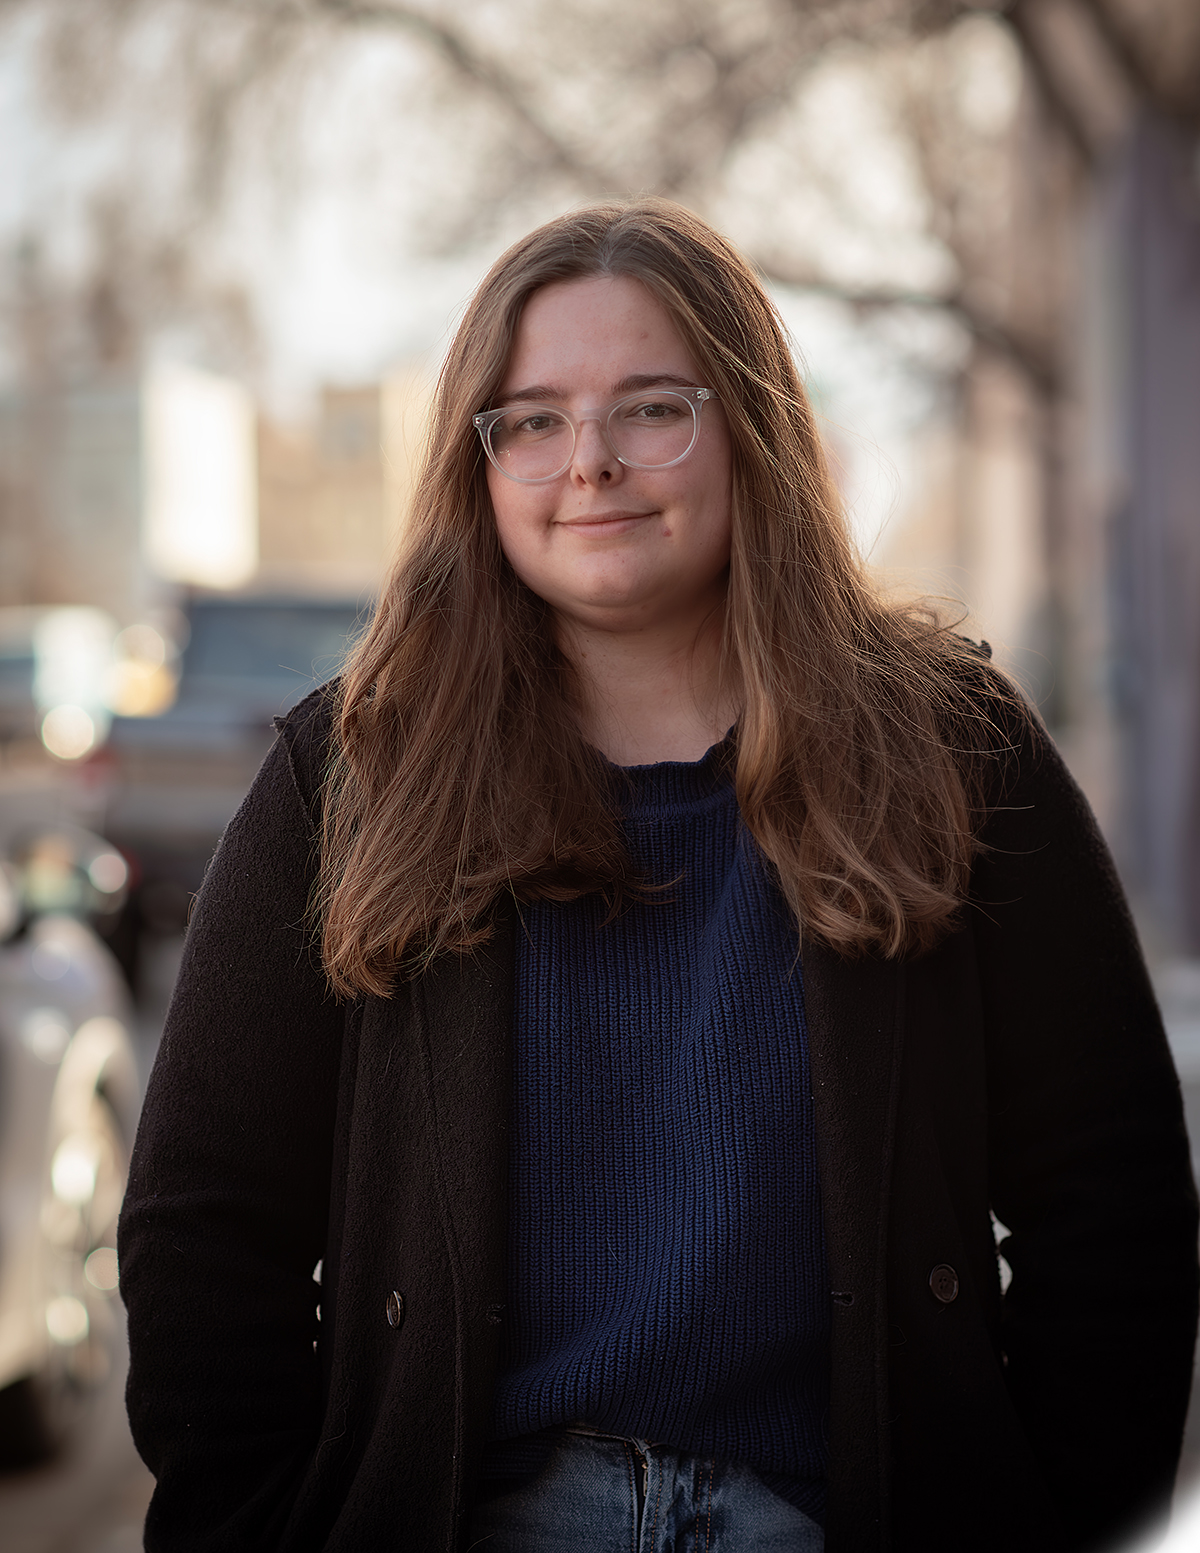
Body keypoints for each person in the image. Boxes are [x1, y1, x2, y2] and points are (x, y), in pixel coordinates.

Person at [118, 199, 1199, 1553]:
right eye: (533, 419)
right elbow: (203, 1228)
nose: (592, 464)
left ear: (750, 428)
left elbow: (1110, 1200)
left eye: (649, 410)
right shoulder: (354, 776)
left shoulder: (952, 753)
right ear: (481, 464)